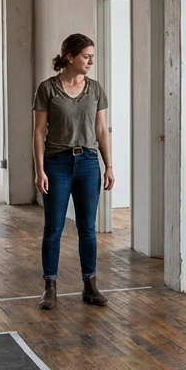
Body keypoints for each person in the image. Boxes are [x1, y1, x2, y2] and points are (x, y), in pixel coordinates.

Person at [32, 33, 115, 310]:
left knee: (87, 229)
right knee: (53, 228)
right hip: (57, 164)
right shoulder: (48, 89)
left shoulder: (95, 89)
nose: (91, 61)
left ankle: (90, 286)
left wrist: (109, 165)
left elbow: (102, 129)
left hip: (89, 163)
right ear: (70, 57)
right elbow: (39, 131)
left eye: (92, 56)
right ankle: (50, 287)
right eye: (86, 56)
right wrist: (40, 170)